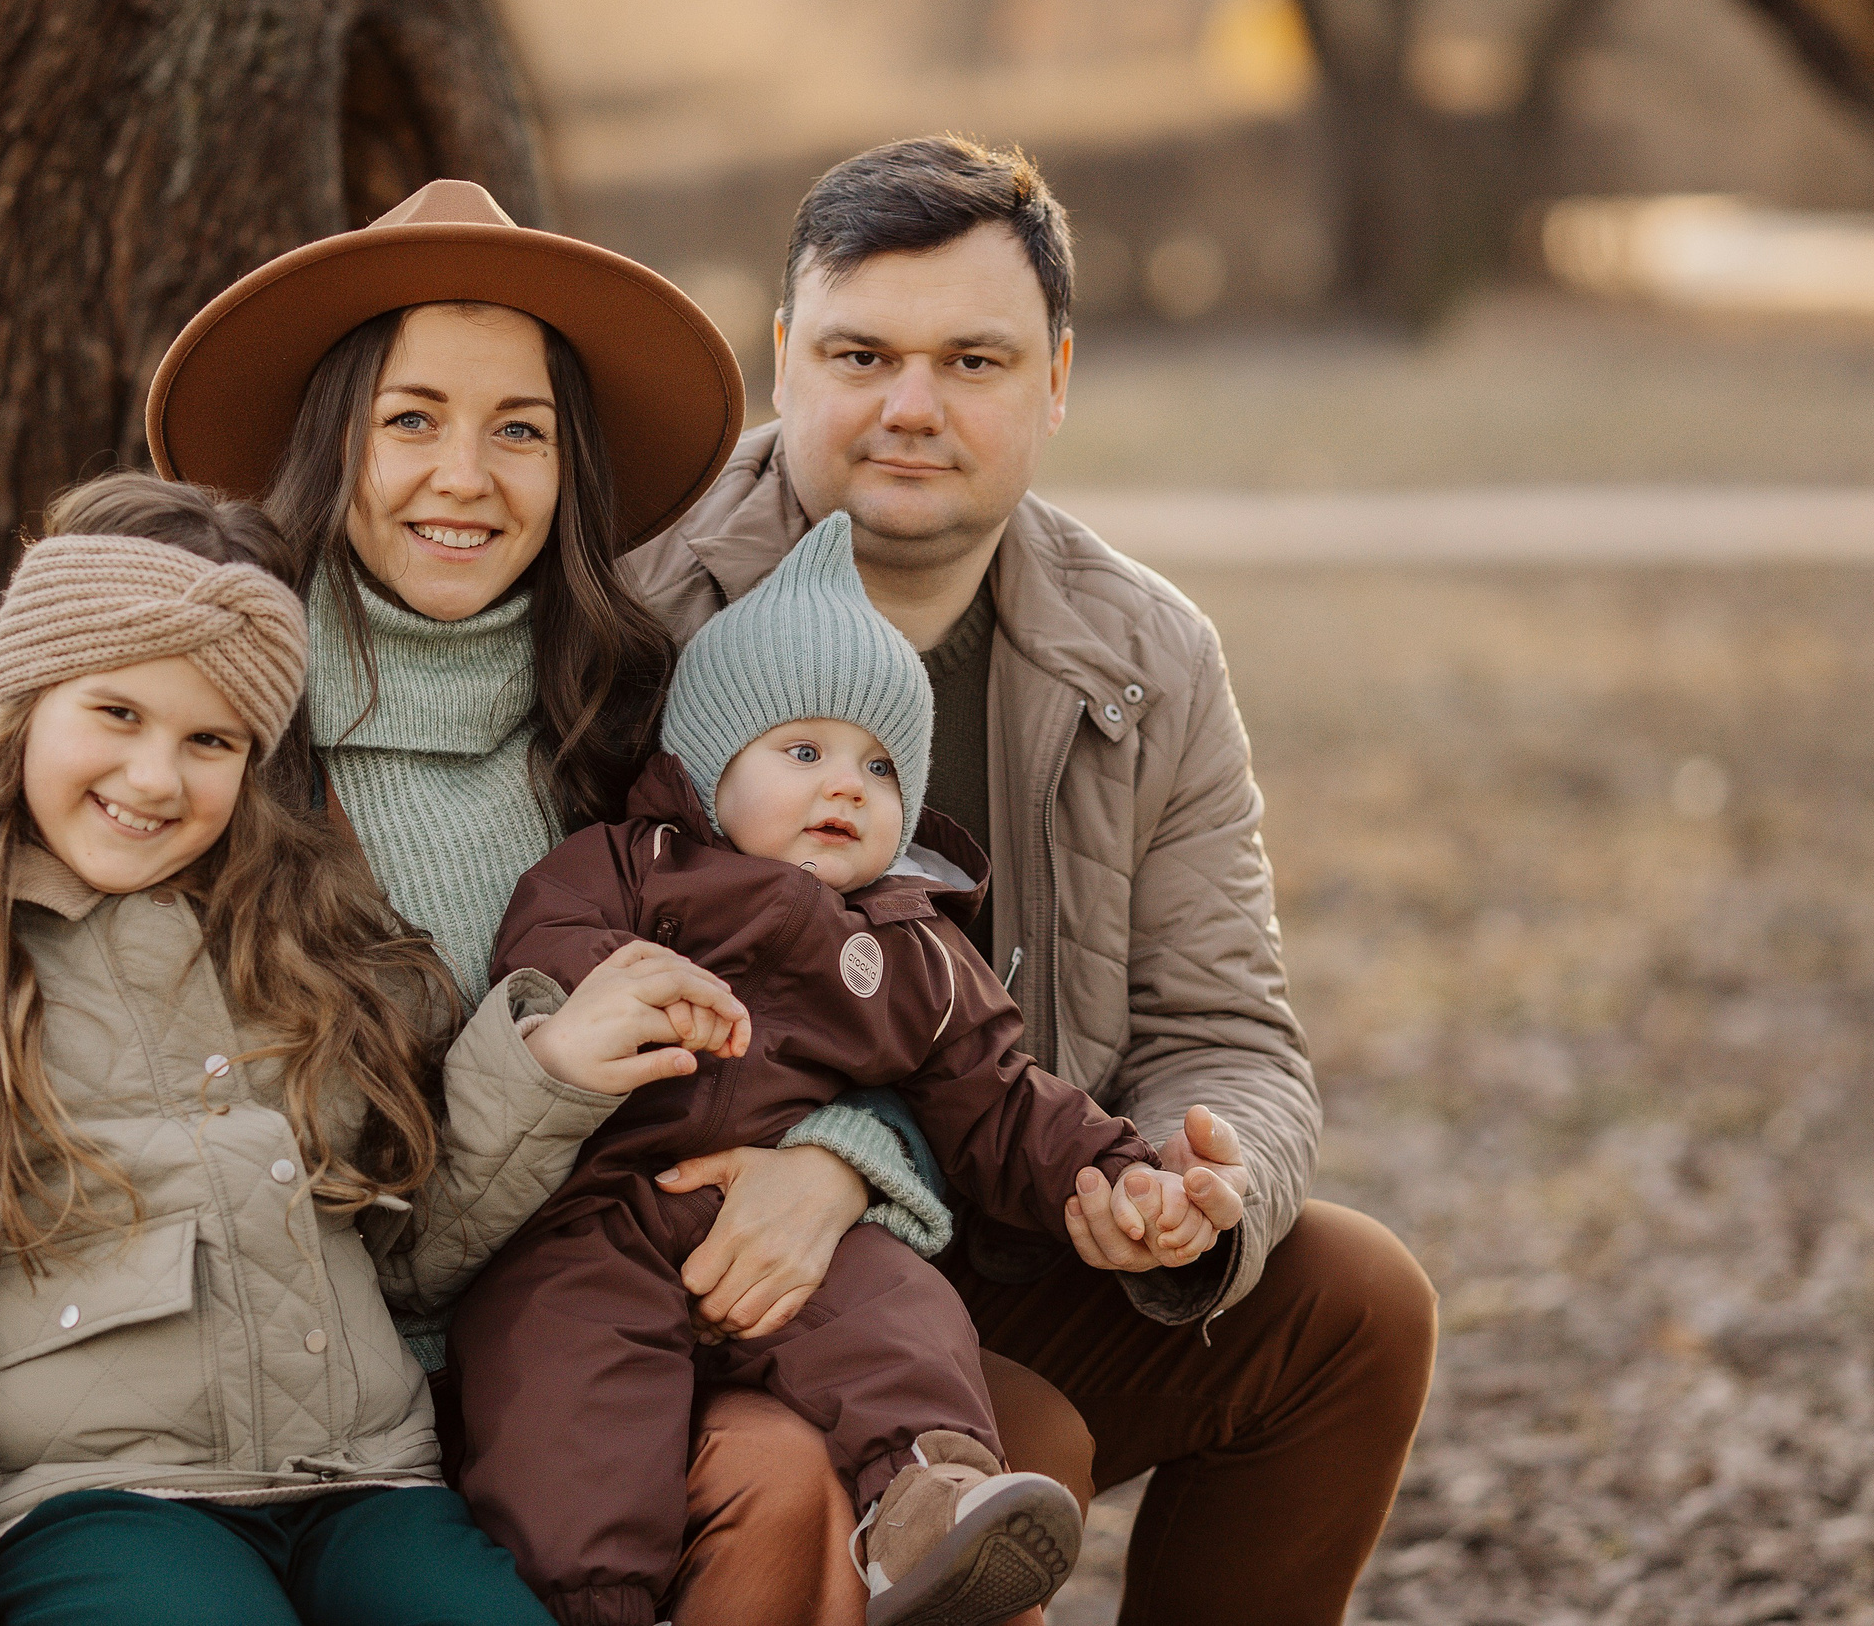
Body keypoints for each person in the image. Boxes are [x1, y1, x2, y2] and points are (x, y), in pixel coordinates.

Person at [0, 179, 963, 1624]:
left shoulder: (630, 728)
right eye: (409, 419)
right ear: (333, 440)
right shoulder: (205, 707)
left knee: (792, 1471)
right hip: (210, 1413)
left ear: (569, 469)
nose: (463, 475)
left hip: (552, 1352)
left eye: (518, 429)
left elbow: (849, 976)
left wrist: (844, 1155)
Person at [618, 136, 1442, 1624]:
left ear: (1054, 379)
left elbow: (1226, 1028)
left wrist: (1194, 1183)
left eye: (973, 360)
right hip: (702, 1260)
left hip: (1013, 1217)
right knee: (1018, 1444)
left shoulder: (1146, 655)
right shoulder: (640, 612)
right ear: (783, 358)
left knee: (1352, 1302)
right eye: (861, 354)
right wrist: (843, 1163)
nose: (911, 406)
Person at [0, 474, 752, 1626]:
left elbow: (403, 1253)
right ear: (25, 703)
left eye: (210, 739)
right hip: (90, 1499)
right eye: (116, 713)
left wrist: (544, 1073)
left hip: (364, 1480)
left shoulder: (311, 937)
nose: (155, 778)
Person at [454, 512, 1147, 1626]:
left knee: (902, 1316)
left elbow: (1000, 1096)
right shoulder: (632, 868)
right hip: (602, 1212)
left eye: (881, 766)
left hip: (807, 1237)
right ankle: (591, 1598)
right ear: (708, 767)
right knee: (563, 1391)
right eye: (804, 751)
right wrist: (624, 985)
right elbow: (542, 947)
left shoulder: (913, 949)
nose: (848, 786)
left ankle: (928, 1501)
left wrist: (1116, 1171)